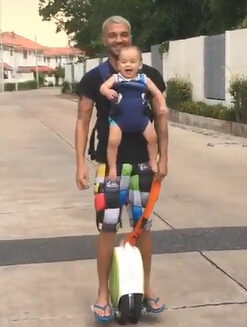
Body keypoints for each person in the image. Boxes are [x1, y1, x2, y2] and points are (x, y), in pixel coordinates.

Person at [74, 15, 168, 321]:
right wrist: (79, 164)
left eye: (124, 34)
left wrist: (163, 158)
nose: (119, 39)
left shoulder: (148, 73)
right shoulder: (96, 78)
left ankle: (147, 289)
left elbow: (161, 118)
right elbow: (82, 120)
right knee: (108, 228)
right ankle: (103, 293)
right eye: (113, 35)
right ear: (105, 40)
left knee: (143, 229)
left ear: (130, 38)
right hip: (108, 167)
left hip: (144, 164)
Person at [100, 45, 168, 178]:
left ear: (140, 65)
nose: (128, 65)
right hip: (119, 120)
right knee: (113, 142)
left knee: (153, 139)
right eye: (124, 62)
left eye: (132, 62)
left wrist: (163, 105)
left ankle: (152, 161)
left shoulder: (144, 79)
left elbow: (158, 94)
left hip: (141, 119)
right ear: (118, 65)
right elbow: (102, 87)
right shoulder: (116, 78)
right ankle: (112, 168)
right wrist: (107, 91)